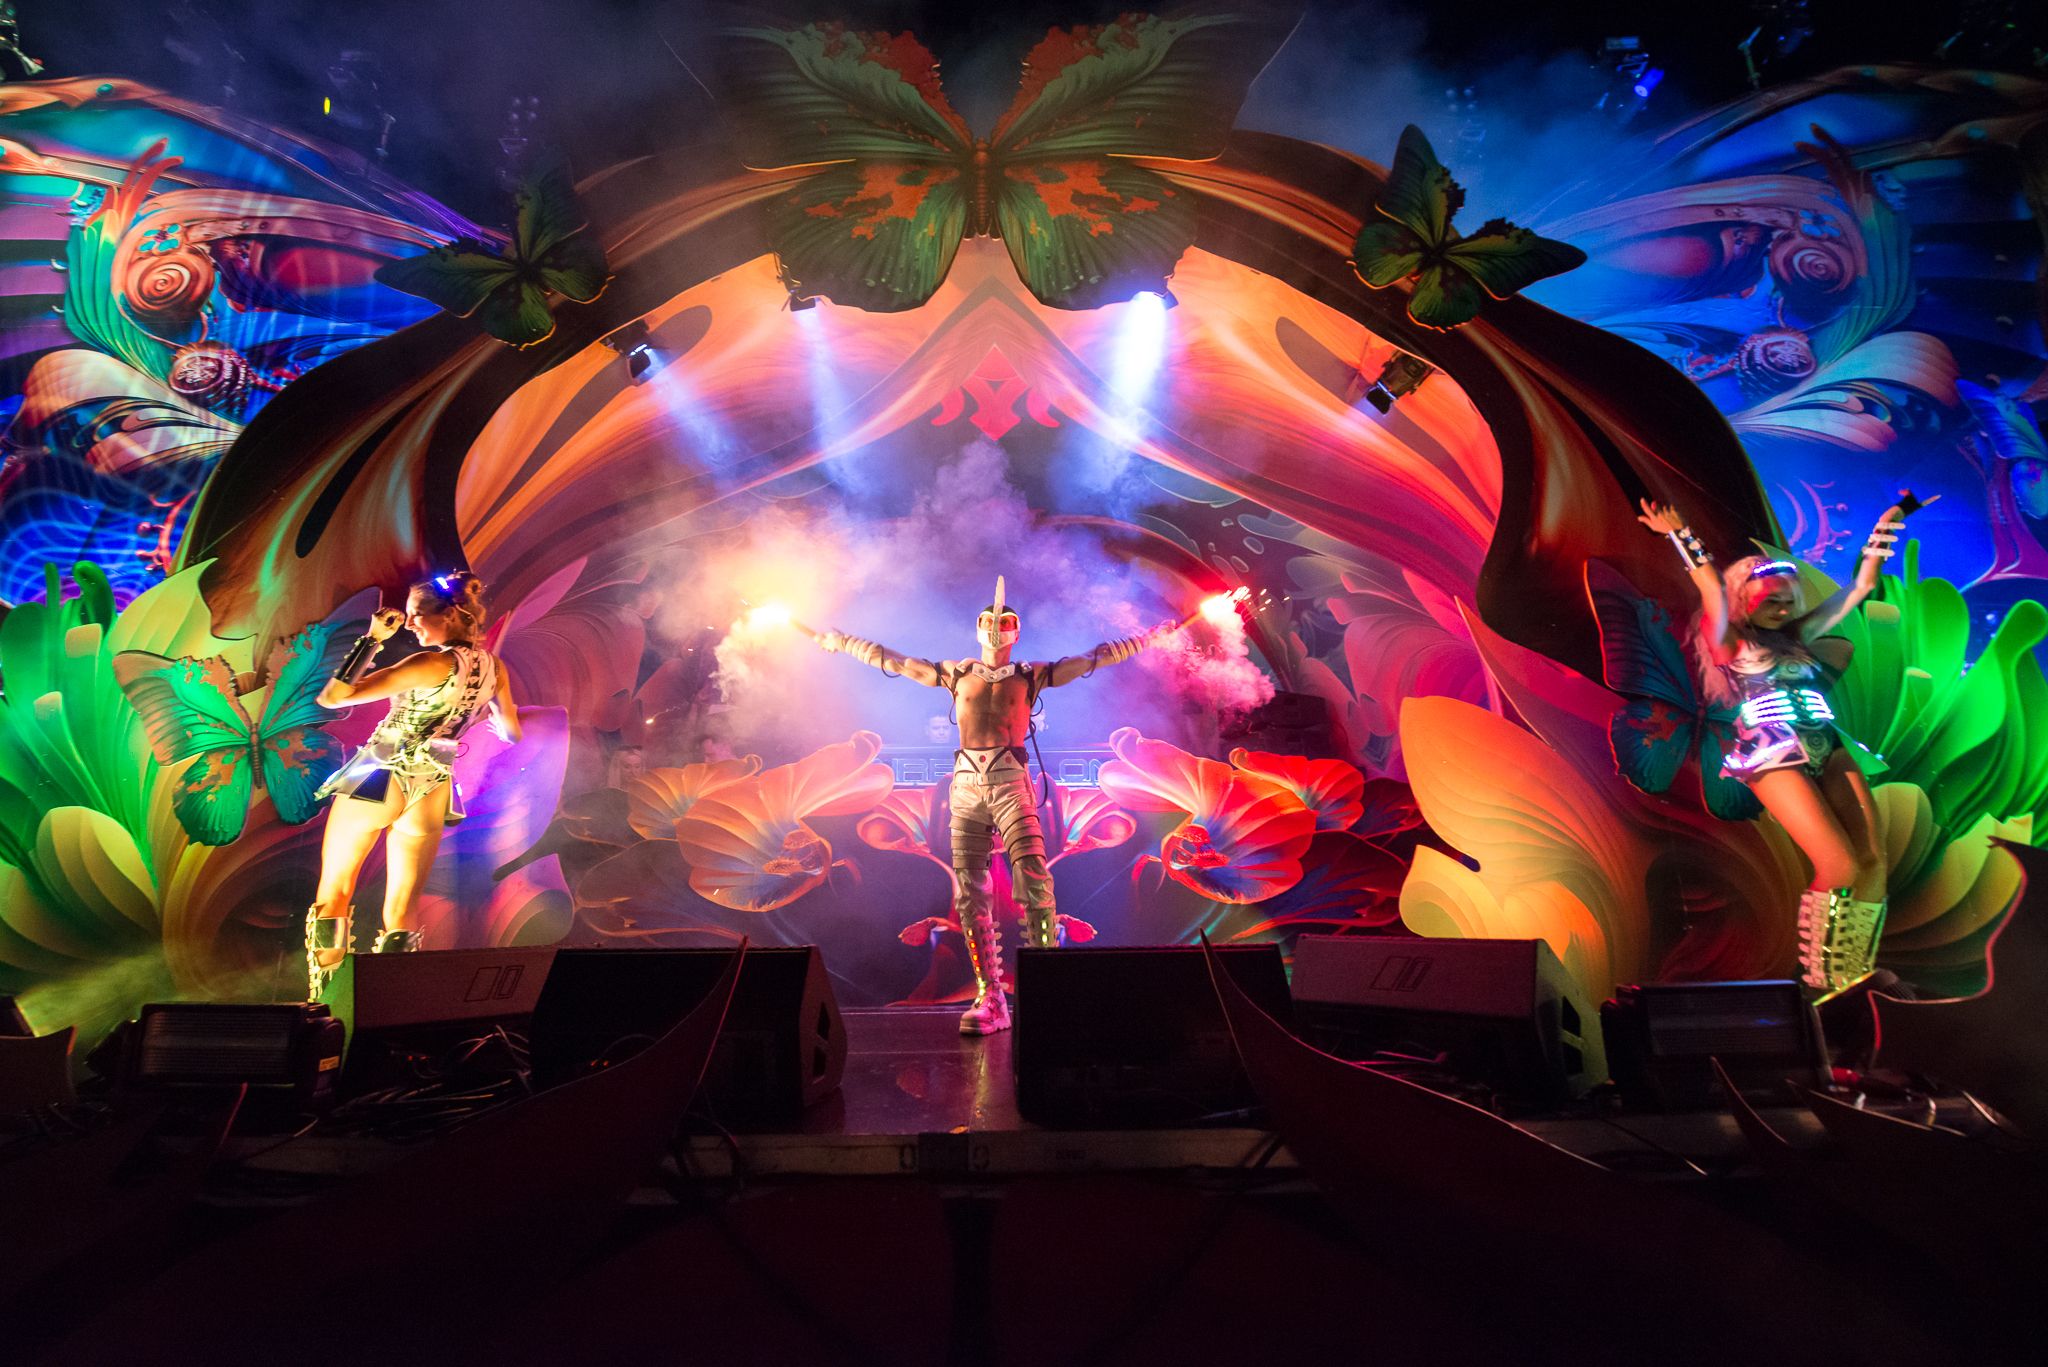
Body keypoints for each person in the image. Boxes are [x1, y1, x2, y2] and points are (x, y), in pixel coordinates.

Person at [801, 578, 1195, 1035]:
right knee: (970, 890)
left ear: (1016, 631)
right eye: (988, 620)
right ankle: (990, 995)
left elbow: (1095, 658)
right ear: (977, 628)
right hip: (967, 784)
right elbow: (896, 662)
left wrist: (1148, 638)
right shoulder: (956, 673)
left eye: (1004, 621)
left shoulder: (1030, 675)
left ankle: (1044, 986)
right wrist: (842, 642)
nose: (995, 627)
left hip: (1010, 782)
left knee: (1033, 876)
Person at [1637, 495, 1922, 996]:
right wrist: (1681, 536)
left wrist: (1889, 522)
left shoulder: (1798, 634)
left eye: (1789, 601)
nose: (1785, 609)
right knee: (1840, 865)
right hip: (1772, 751)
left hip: (1827, 743)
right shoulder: (1729, 639)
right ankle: (1826, 984)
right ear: (1745, 601)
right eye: (1773, 602)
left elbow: (1860, 587)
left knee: (1873, 861)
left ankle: (1856, 972)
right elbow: (1710, 587)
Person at [303, 571, 521, 997]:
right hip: (432, 786)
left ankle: (326, 1001)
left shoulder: (429, 664)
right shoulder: (495, 668)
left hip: (379, 774)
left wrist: (372, 640)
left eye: (417, 615)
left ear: (451, 615)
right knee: (403, 911)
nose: (410, 624)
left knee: (336, 892)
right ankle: (387, 1006)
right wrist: (487, 719)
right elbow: (512, 732)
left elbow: (333, 697)